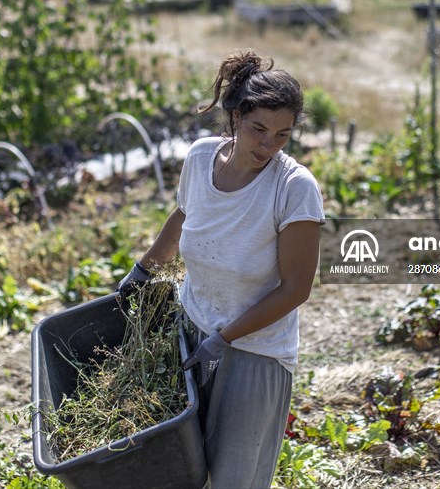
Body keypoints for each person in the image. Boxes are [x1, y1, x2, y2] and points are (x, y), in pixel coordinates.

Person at [119, 49, 324, 489]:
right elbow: (184, 216)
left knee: (234, 480)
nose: (268, 146)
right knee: (184, 471)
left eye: (283, 135)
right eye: (258, 130)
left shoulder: (294, 188)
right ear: (235, 116)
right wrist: (144, 269)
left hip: (254, 352)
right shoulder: (200, 158)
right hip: (191, 332)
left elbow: (295, 289)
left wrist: (224, 339)